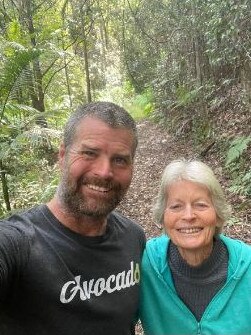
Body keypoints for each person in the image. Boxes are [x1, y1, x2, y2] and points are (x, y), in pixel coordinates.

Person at [0, 102, 146, 335]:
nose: (104, 172)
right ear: (62, 156)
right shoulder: (19, 243)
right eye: (89, 153)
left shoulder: (134, 237)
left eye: (120, 160)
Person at [139, 159, 251, 335]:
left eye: (200, 205)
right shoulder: (145, 265)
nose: (189, 215)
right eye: (176, 206)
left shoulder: (248, 268)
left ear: (218, 215)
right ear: (163, 217)